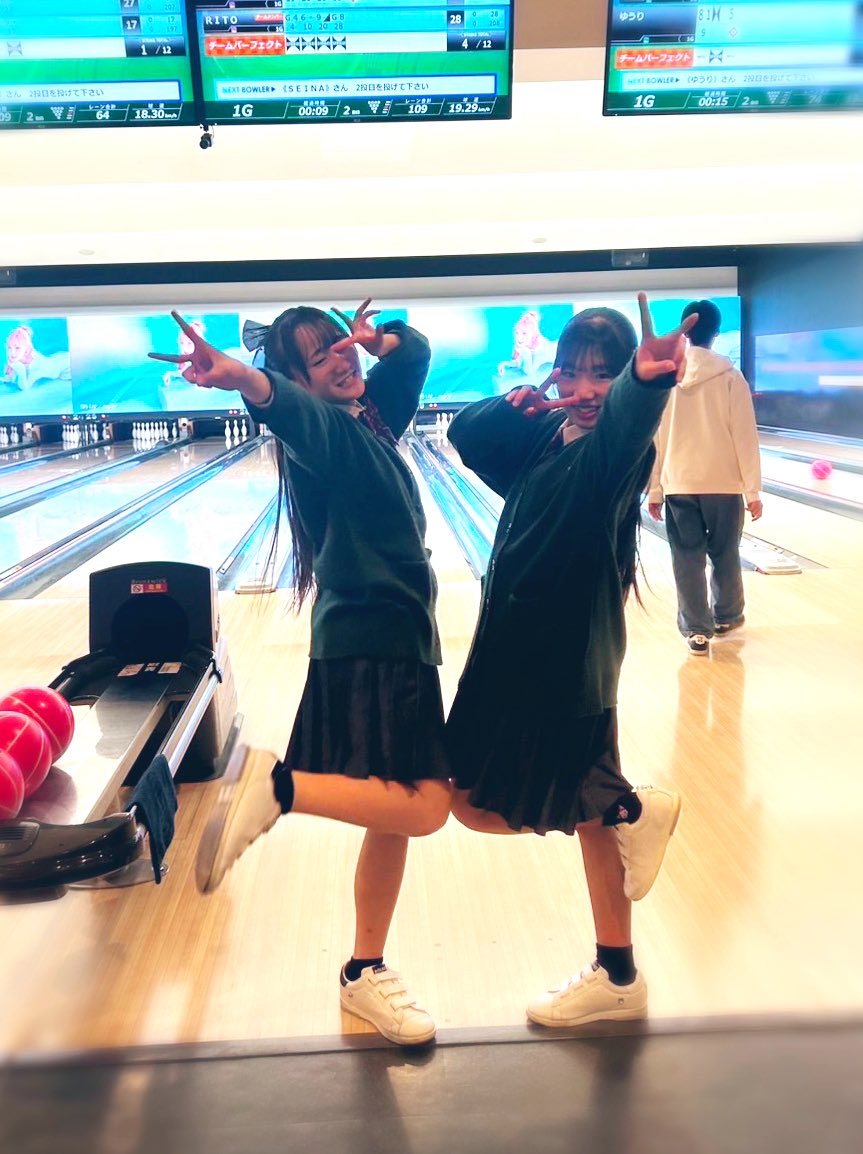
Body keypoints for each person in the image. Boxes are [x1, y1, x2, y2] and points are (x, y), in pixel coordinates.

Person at [150, 300, 452, 1047]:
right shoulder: (329, 437)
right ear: (300, 382)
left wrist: (380, 339)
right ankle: (276, 788)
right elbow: (287, 410)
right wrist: (246, 379)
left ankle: (364, 970)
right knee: (424, 808)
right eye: (321, 359)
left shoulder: (370, 420)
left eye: (340, 346)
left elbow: (412, 357)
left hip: (388, 638)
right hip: (372, 642)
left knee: (392, 813)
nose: (342, 360)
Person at [445, 295, 687, 1029]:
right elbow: (463, 435)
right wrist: (513, 401)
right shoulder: (547, 437)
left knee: (481, 803)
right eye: (570, 371)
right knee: (570, 812)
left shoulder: (615, 452)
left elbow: (627, 421)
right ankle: (617, 968)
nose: (584, 390)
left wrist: (642, 382)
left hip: (561, 657)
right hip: (530, 649)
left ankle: (630, 811)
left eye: (601, 374)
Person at [647, 299, 762, 656]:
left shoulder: (668, 379)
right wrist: (752, 490)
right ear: (716, 333)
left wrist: (655, 489)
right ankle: (726, 616)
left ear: (685, 331)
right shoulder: (731, 376)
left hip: (679, 482)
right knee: (725, 552)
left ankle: (697, 630)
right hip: (723, 484)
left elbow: (657, 437)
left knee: (686, 557)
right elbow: (744, 434)